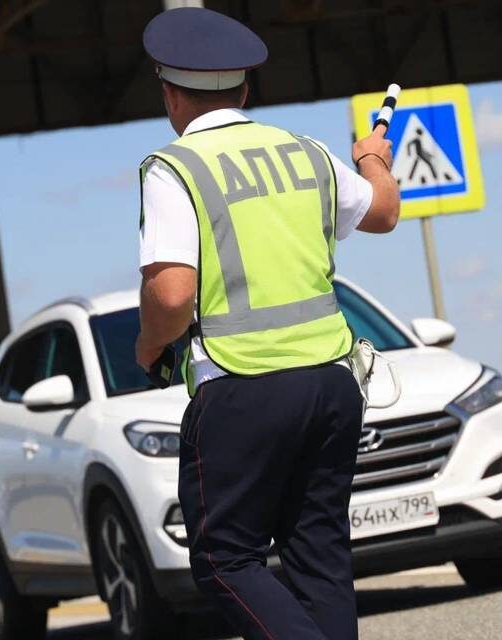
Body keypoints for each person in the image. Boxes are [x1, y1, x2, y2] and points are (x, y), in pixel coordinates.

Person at [134, 7, 400, 639]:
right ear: (245, 88)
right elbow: (384, 211)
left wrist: (148, 348)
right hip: (332, 384)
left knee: (226, 560)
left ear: (171, 94)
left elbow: (172, 297)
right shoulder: (307, 153)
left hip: (242, 384)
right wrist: (372, 158)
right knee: (319, 558)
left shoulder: (174, 168)